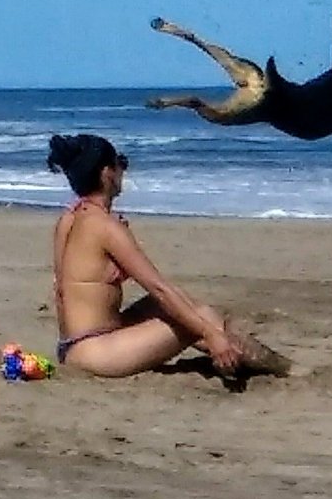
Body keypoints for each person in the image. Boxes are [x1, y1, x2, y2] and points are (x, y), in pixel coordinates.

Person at [47, 132, 290, 378]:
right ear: (107, 172)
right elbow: (158, 287)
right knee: (201, 316)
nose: (123, 171)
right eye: (121, 163)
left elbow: (61, 292)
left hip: (72, 344)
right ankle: (282, 367)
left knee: (180, 305)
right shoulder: (104, 226)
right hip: (96, 350)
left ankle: (233, 350)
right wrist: (208, 333)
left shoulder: (70, 219)